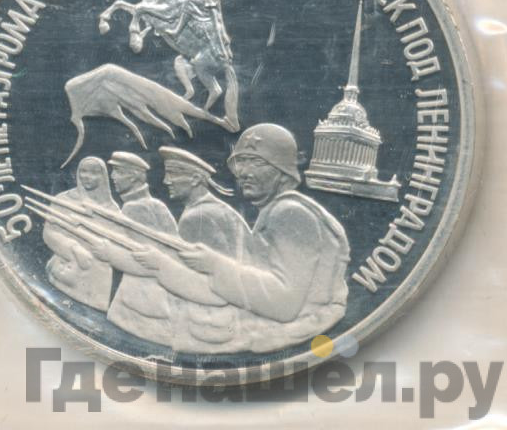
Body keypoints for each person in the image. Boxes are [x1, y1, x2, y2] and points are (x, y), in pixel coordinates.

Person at [178, 124, 351, 353]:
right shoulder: (278, 210)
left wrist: (214, 265)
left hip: (299, 328)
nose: (242, 173)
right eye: (240, 163)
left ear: (282, 169)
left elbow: (285, 304)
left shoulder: (289, 213)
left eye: (256, 162)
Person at [133, 146, 251, 353]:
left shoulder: (196, 217)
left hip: (210, 324)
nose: (166, 181)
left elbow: (196, 281)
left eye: (173, 174)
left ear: (195, 179)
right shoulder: (219, 209)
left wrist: (158, 263)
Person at [89, 151, 179, 346]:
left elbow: (149, 263)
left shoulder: (134, 208)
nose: (113, 177)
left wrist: (109, 254)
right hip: (158, 298)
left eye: (118, 172)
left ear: (134, 176)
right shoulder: (157, 205)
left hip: (141, 300)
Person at [42, 156, 118, 312]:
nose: (87, 176)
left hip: (98, 280)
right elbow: (49, 233)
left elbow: (117, 245)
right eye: (83, 171)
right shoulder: (63, 200)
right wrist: (74, 248)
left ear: (103, 176)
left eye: (94, 172)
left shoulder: (112, 209)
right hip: (67, 271)